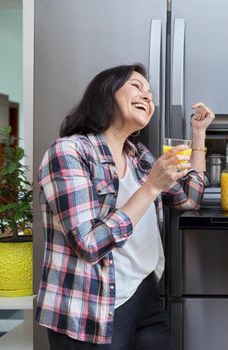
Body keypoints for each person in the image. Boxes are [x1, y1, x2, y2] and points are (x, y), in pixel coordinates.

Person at [35, 64, 214, 349]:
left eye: (150, 93)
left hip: (145, 294)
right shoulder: (69, 151)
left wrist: (199, 135)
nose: (147, 96)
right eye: (137, 86)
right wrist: (151, 186)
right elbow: (88, 244)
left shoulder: (139, 156)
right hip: (91, 306)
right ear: (106, 93)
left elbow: (189, 199)